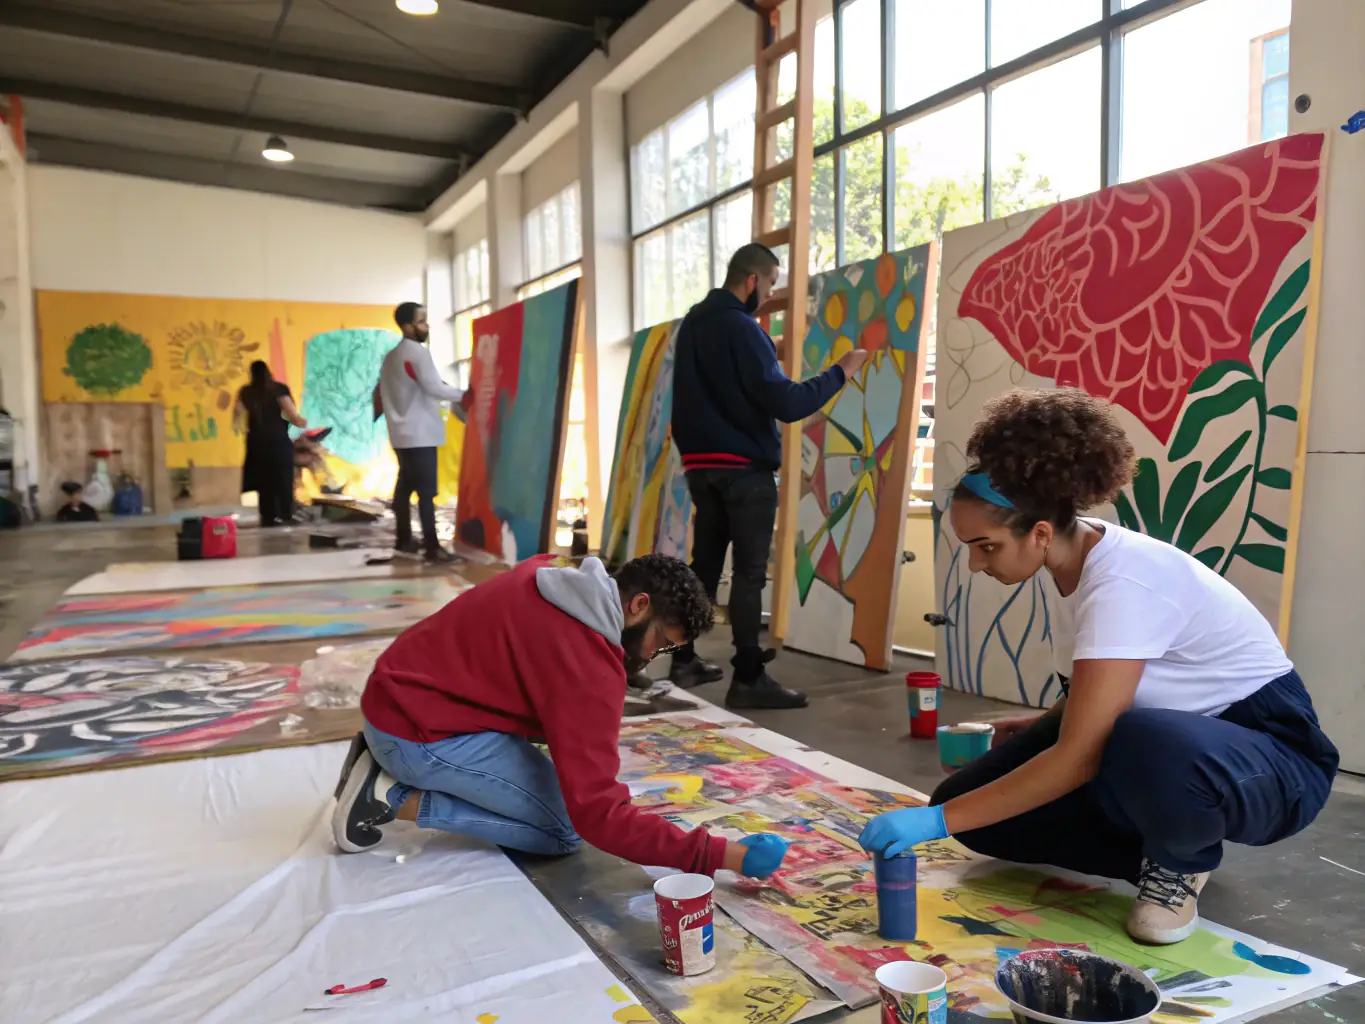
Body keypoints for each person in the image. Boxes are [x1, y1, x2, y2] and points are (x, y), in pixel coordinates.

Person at [857, 389, 1338, 946]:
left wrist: (933, 827)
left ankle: (1179, 864)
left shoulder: (1122, 583)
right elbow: (1109, 688)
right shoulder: (1071, 562)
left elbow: (1083, 756)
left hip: (1271, 758)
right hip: (1184, 744)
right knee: (969, 805)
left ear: (1038, 533)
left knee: (1130, 738)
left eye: (985, 547)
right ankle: (1151, 853)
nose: (975, 563)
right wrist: (1041, 729)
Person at [332, 552, 791, 880]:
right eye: (661, 642)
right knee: (564, 831)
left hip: (398, 698)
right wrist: (721, 855)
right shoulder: (587, 664)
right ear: (639, 606)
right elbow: (599, 816)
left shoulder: (552, 577)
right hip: (417, 733)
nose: (655, 658)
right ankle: (390, 795)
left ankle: (385, 768)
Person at [669, 243, 869, 709]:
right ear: (754, 281)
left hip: (702, 468)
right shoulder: (743, 330)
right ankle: (749, 677)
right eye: (772, 285)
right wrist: (842, 371)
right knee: (749, 576)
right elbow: (789, 402)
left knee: (706, 566)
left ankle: (683, 658)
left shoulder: (694, 324)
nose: (770, 294)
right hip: (745, 472)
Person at [376, 302, 464, 564]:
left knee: (404, 490)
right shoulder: (416, 353)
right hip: (421, 435)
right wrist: (466, 394)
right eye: (422, 321)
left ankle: (404, 541)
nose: (427, 326)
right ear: (407, 326)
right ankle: (432, 547)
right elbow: (434, 387)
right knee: (427, 493)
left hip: (401, 435)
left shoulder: (391, 357)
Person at [235, 360, 306, 527]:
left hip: (256, 444)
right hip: (277, 442)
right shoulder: (278, 389)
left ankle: (268, 517)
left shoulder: (245, 392)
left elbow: (237, 416)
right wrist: (304, 424)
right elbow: (293, 416)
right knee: (283, 479)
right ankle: (286, 515)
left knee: (263, 483)